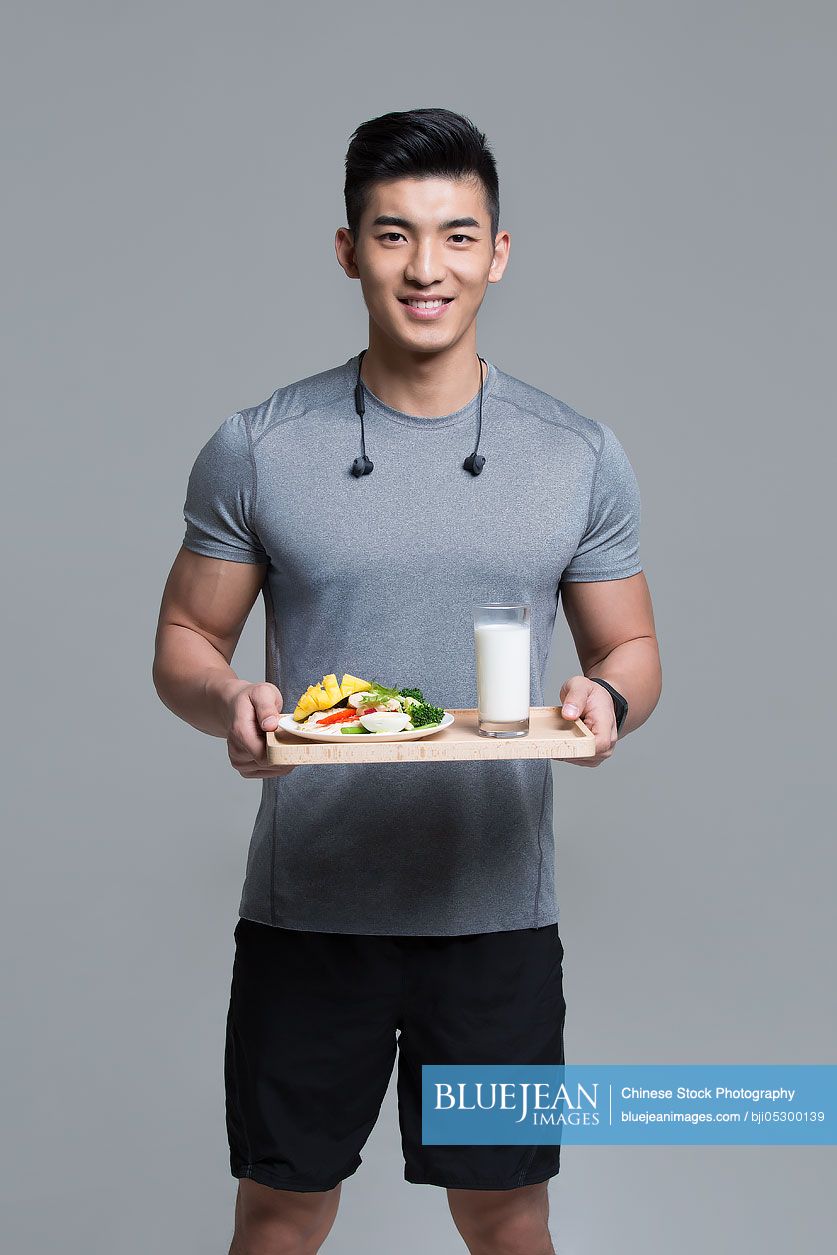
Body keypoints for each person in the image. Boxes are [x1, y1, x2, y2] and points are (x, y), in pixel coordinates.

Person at [152, 107, 662, 1255]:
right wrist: (226, 699)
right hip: (307, 912)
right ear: (349, 251)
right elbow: (187, 633)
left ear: (499, 251)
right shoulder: (261, 444)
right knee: (282, 1210)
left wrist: (607, 700)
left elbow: (631, 650)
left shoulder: (575, 452)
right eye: (393, 236)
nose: (426, 268)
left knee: (505, 1210)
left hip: (496, 916)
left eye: (456, 236)